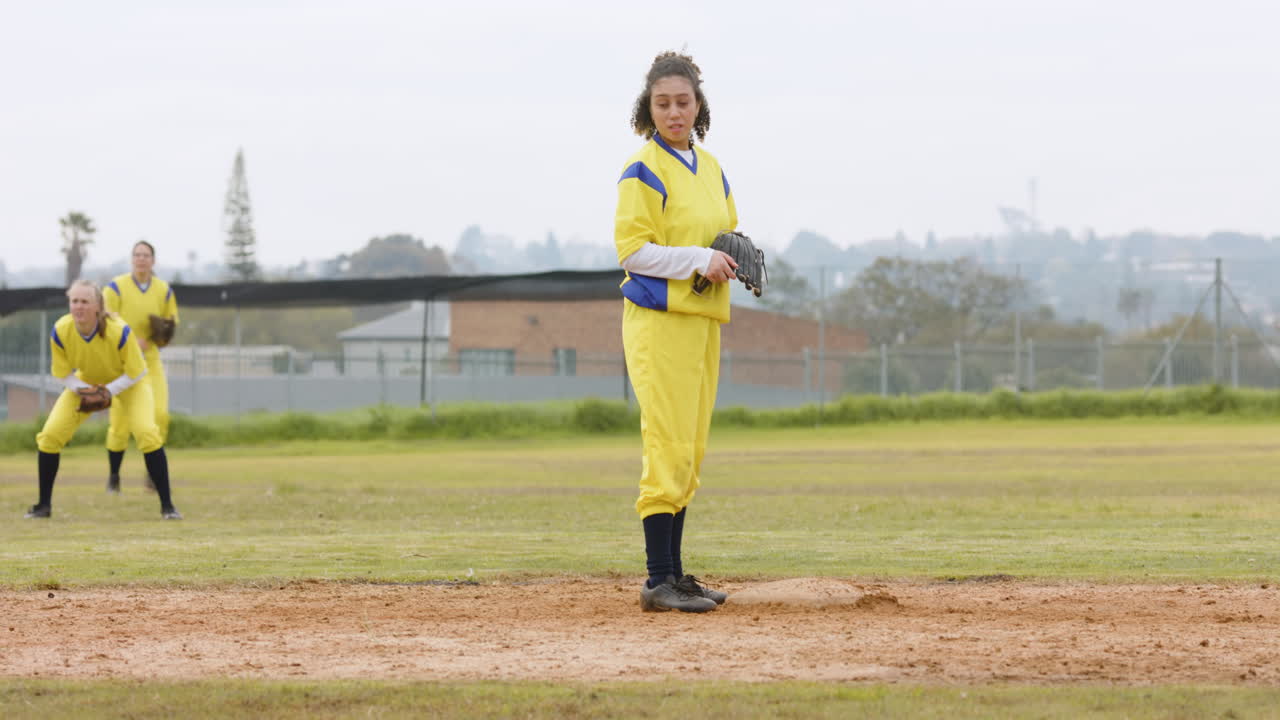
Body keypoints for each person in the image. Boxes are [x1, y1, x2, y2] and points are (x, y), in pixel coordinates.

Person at [615, 51, 739, 613]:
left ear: (698, 105)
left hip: (703, 321)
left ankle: (678, 576)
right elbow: (634, 251)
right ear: (649, 107)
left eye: (682, 101)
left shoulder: (711, 168)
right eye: (662, 103)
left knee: (688, 449)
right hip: (659, 322)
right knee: (665, 443)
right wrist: (699, 258)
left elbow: (724, 234)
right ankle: (657, 580)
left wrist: (734, 256)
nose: (673, 111)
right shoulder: (642, 168)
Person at [24, 279, 182, 520]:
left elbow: (137, 372)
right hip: (86, 383)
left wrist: (108, 391)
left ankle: (168, 507)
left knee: (147, 433)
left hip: (130, 384)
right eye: (74, 301)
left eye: (85, 301)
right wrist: (85, 389)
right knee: (49, 436)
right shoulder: (61, 330)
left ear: (98, 306)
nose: (79, 306)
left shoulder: (118, 329)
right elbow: (62, 373)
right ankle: (43, 506)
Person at [102, 240, 178, 493]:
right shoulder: (115, 287)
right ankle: (114, 476)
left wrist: (161, 334)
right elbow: (105, 318)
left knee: (160, 415)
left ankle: (153, 475)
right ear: (131, 259)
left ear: (153, 261)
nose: (141, 259)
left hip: (150, 362)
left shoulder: (163, 290)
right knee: (120, 426)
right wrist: (130, 339)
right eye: (137, 255)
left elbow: (171, 321)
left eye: (146, 255)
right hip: (122, 363)